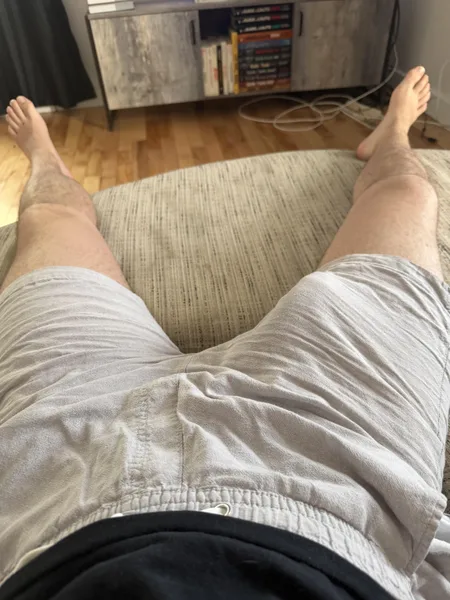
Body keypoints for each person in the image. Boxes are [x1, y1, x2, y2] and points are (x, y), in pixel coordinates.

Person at [0, 67, 448, 600]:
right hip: (337, 486)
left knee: (49, 219)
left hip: (55, 492)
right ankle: (393, 134)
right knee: (407, 194)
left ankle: (391, 133)